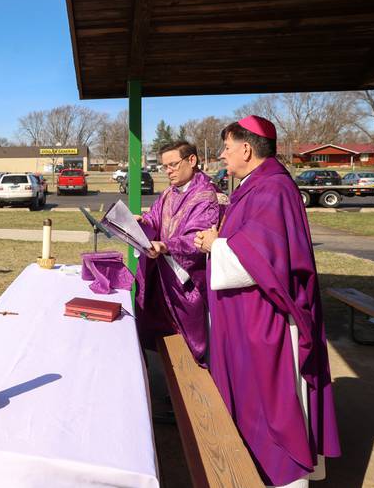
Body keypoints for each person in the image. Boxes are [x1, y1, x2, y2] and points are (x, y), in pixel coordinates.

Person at [194, 116, 340, 487]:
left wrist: (216, 245)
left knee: (273, 405)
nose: (223, 156)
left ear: (246, 148)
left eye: (226, 148)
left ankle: (287, 477)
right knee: (250, 398)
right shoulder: (256, 185)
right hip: (246, 315)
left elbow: (265, 257)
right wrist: (220, 239)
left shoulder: (272, 189)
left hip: (266, 319)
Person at [134, 141, 222, 365]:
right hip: (164, 274)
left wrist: (165, 246)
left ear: (191, 160)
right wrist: (143, 221)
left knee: (190, 340)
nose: (168, 171)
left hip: (187, 279)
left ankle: (196, 382)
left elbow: (199, 238)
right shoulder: (168, 193)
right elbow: (156, 217)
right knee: (166, 334)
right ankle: (173, 373)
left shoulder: (207, 196)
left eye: (173, 164)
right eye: (165, 166)